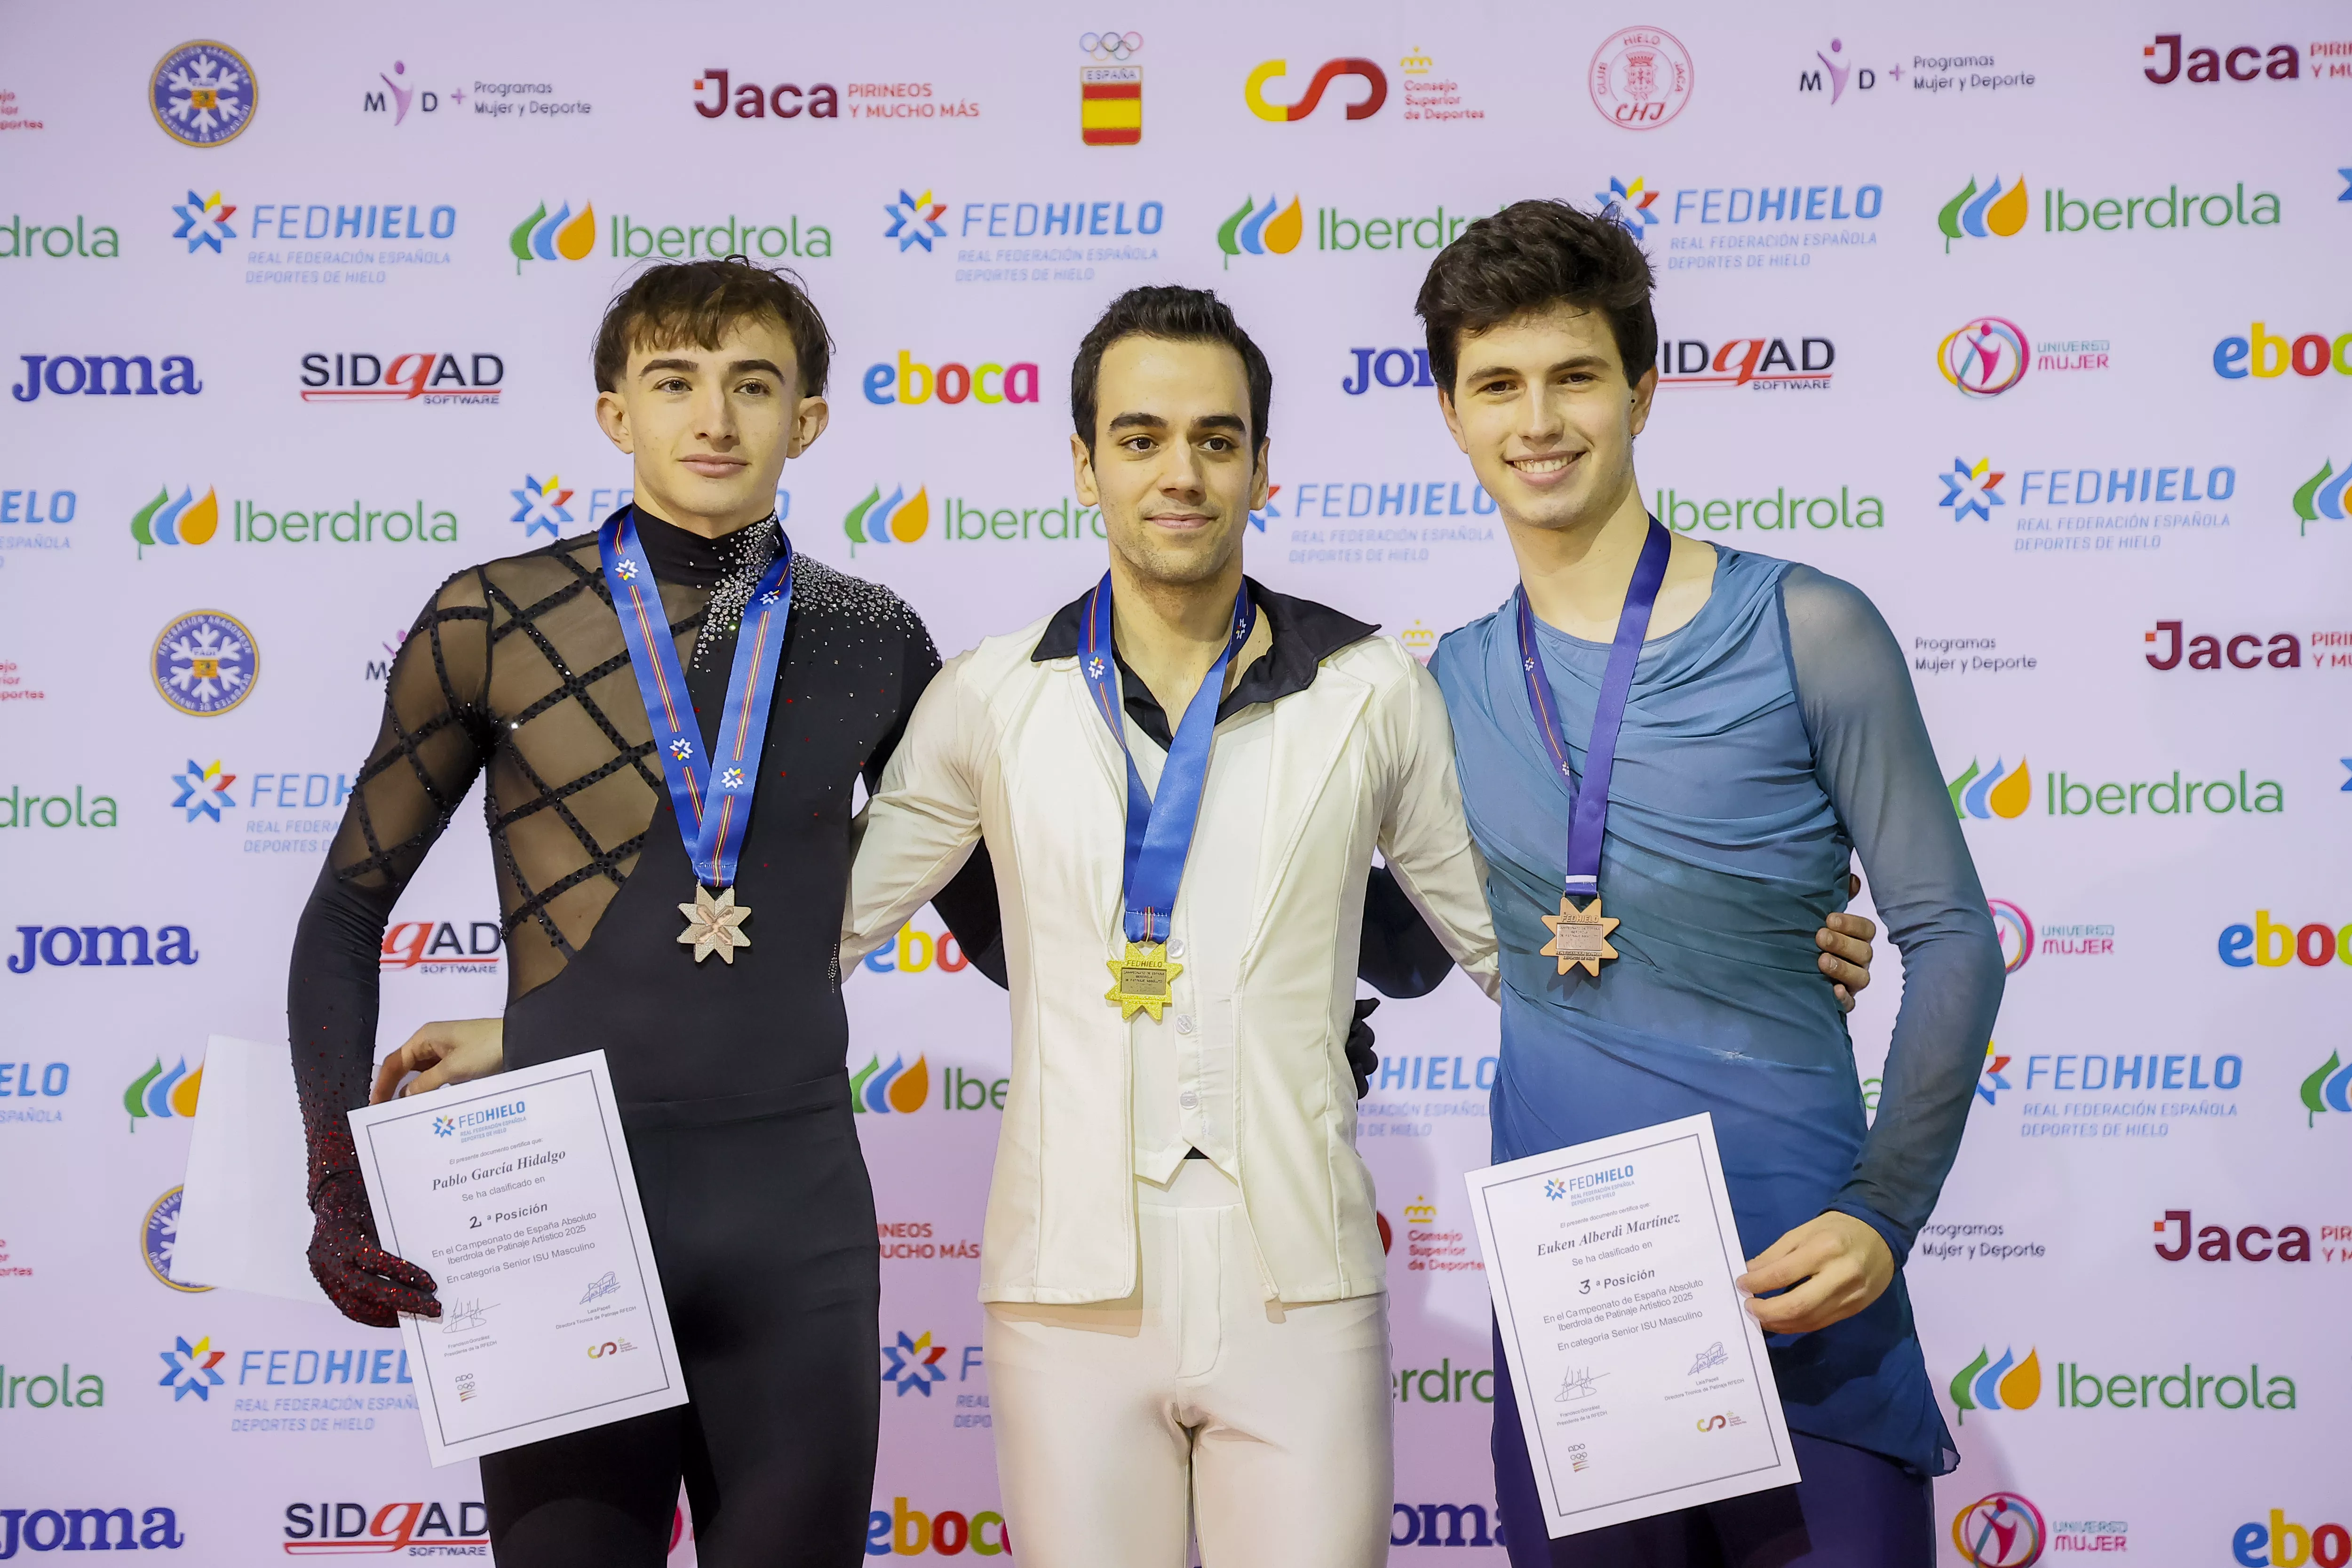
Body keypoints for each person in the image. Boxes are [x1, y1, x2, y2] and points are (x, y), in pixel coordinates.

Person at [834, 286, 1880, 1568]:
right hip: (1065, 1288)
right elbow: (813, 930)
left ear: (1264, 467)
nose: (1181, 473)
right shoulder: (988, 696)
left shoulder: (1370, 687)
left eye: (1218, 440)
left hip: (1304, 1282)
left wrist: (1760, 943)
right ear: (1083, 462)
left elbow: (1519, 949)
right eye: (1143, 437)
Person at [287, 256, 993, 1568]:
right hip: (555, 1209)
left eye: (753, 384)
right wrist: (336, 1182)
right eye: (676, 381)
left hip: (798, 1232)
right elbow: (344, 911)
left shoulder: (869, 632)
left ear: (812, 419)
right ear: (617, 411)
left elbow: (1005, 928)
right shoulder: (492, 617)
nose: (713, 417)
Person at [1409, 200, 2005, 1566]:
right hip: (1582, 1330)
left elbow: (1954, 937)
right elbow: (1384, 937)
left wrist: (1884, 1214)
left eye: (1575, 376)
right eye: (1497, 384)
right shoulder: (1434, 688)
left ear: (1643, 389)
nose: (1539, 420)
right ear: (1451, 414)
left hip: (1806, 1283)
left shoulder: (1810, 624)